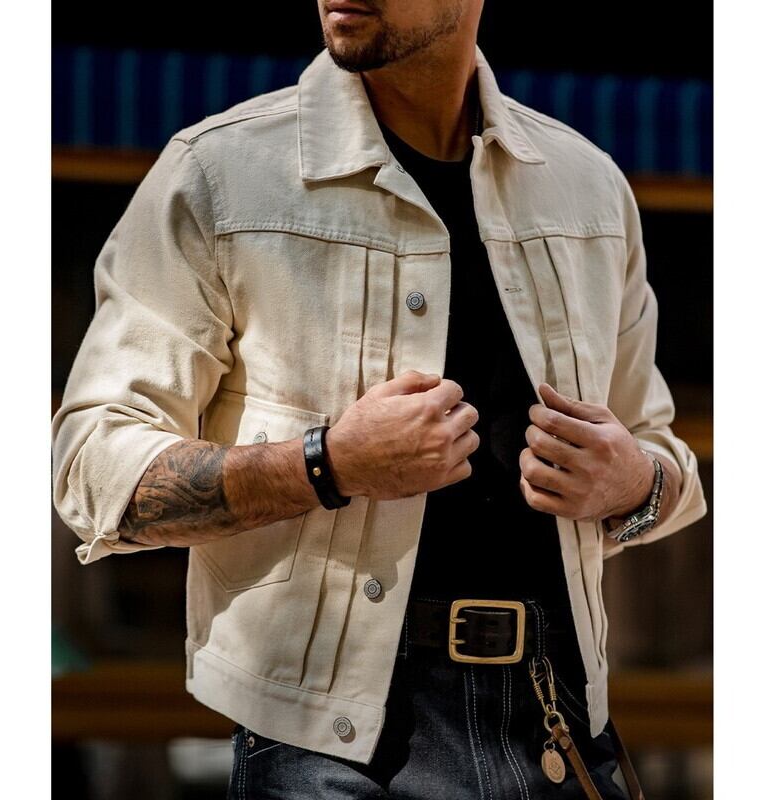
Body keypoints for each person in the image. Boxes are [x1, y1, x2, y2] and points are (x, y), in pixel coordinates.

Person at [51, 0, 708, 797]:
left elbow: (659, 454)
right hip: (329, 756)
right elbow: (93, 470)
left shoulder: (587, 187)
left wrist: (632, 483)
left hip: (558, 724)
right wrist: (325, 465)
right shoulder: (220, 174)